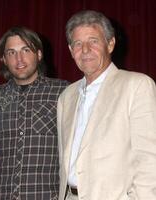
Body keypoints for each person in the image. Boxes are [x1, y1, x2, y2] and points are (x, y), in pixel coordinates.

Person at [57, 10, 156, 200]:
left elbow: (149, 160)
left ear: (110, 44)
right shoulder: (66, 96)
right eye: (78, 44)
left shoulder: (137, 86)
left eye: (93, 41)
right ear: (71, 50)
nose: (85, 50)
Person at [0, 27, 69, 200]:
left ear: (38, 54)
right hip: (3, 195)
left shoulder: (63, 91)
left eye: (26, 50)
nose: (19, 59)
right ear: (4, 59)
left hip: (47, 196)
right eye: (11, 52)